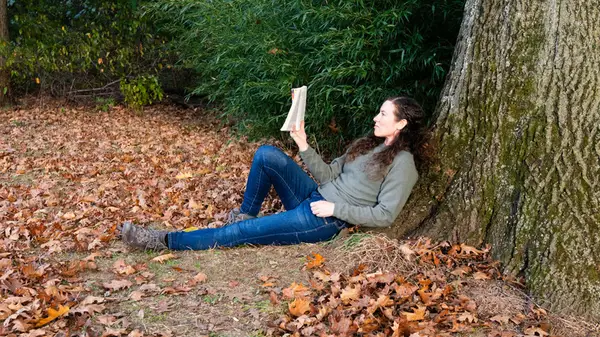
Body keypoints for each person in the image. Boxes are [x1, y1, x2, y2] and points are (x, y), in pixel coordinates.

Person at [120, 96, 426, 251]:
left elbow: (385, 215)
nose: (376, 117)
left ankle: (164, 240)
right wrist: (303, 143)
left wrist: (335, 209)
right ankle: (246, 213)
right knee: (267, 154)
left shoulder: (403, 164)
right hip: (313, 196)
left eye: (383, 114)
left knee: (238, 236)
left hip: (324, 219)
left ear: (401, 124)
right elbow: (329, 174)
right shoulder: (366, 144)